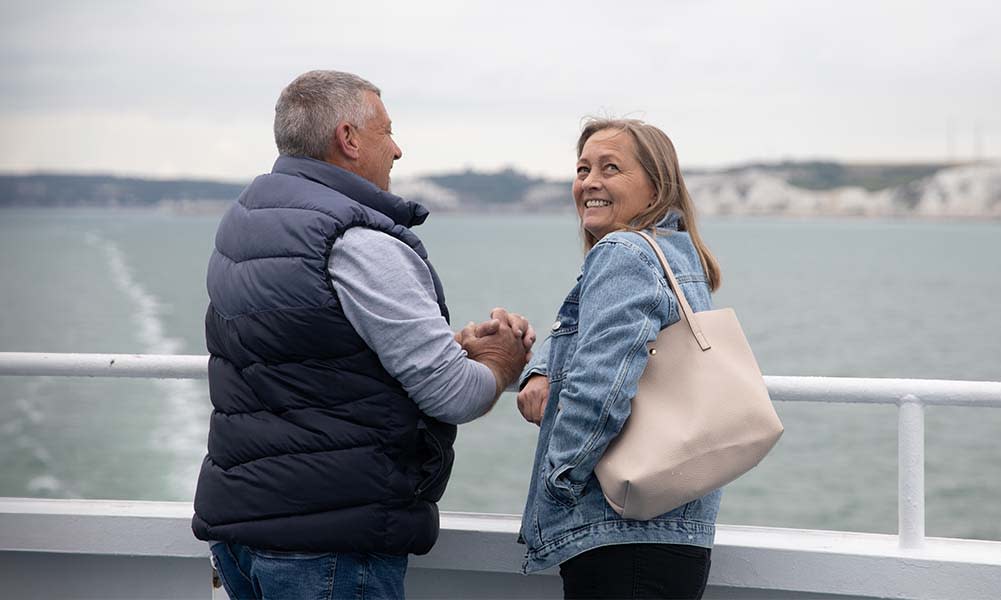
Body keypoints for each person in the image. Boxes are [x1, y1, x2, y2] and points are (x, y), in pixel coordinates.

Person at [192, 70, 533, 599]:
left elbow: (311, 352)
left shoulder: (246, 221)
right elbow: (452, 393)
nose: (397, 150)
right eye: (387, 132)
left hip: (241, 529)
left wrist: (452, 348)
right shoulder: (354, 239)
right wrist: (502, 360)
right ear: (348, 139)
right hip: (329, 543)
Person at [516, 118, 724, 599]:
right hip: (673, 529)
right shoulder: (675, 251)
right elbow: (589, 332)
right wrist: (542, 367)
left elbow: (600, 387)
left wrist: (559, 483)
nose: (590, 182)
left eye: (611, 168)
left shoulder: (623, 253)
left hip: (619, 535)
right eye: (583, 168)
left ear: (656, 187)